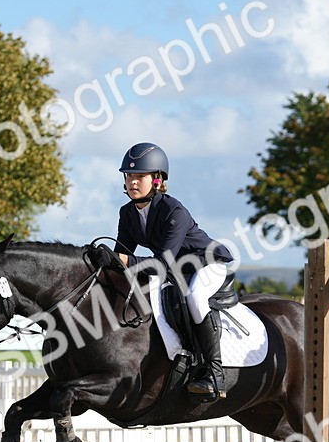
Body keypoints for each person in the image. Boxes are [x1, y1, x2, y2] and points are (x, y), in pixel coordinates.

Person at [87, 142, 236, 401]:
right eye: (129, 176)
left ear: (156, 180)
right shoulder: (128, 212)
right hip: (175, 270)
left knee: (195, 299)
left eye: (140, 176)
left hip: (206, 264)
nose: (132, 182)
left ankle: (214, 372)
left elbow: (160, 263)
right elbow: (124, 254)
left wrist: (120, 259)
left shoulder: (172, 210)